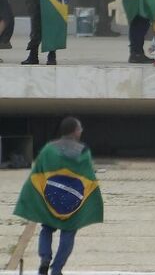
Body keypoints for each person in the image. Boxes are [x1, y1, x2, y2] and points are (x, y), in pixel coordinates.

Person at [12, 116, 100, 275]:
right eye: (80, 128)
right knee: (69, 231)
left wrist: (32, 195)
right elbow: (88, 178)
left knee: (46, 228)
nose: (81, 131)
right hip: (72, 201)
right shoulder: (83, 152)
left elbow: (37, 173)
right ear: (75, 131)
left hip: (50, 198)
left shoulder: (48, 149)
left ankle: (44, 260)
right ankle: (57, 269)